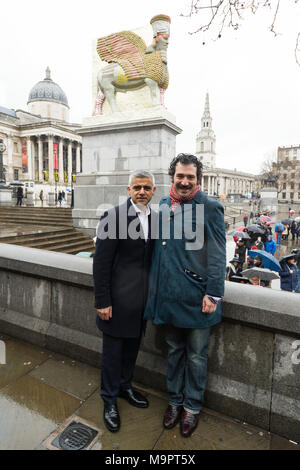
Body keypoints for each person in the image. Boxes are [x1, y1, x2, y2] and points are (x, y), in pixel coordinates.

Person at [144, 153, 226, 438]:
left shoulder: (211, 207)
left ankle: (192, 407)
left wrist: (213, 294)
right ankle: (174, 402)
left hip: (196, 296)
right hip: (169, 294)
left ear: (198, 179)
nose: (185, 181)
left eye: (190, 177)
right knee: (175, 352)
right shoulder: (165, 203)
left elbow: (217, 254)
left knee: (196, 357)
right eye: (180, 176)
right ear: (172, 177)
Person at [93, 170, 157, 433]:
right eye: (137, 187)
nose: (142, 191)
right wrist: (102, 301)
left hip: (141, 303)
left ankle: (124, 386)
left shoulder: (157, 218)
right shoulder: (113, 217)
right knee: (112, 354)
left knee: (132, 349)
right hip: (116, 302)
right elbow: (101, 263)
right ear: (128, 189)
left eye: (147, 187)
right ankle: (109, 399)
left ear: (154, 191)